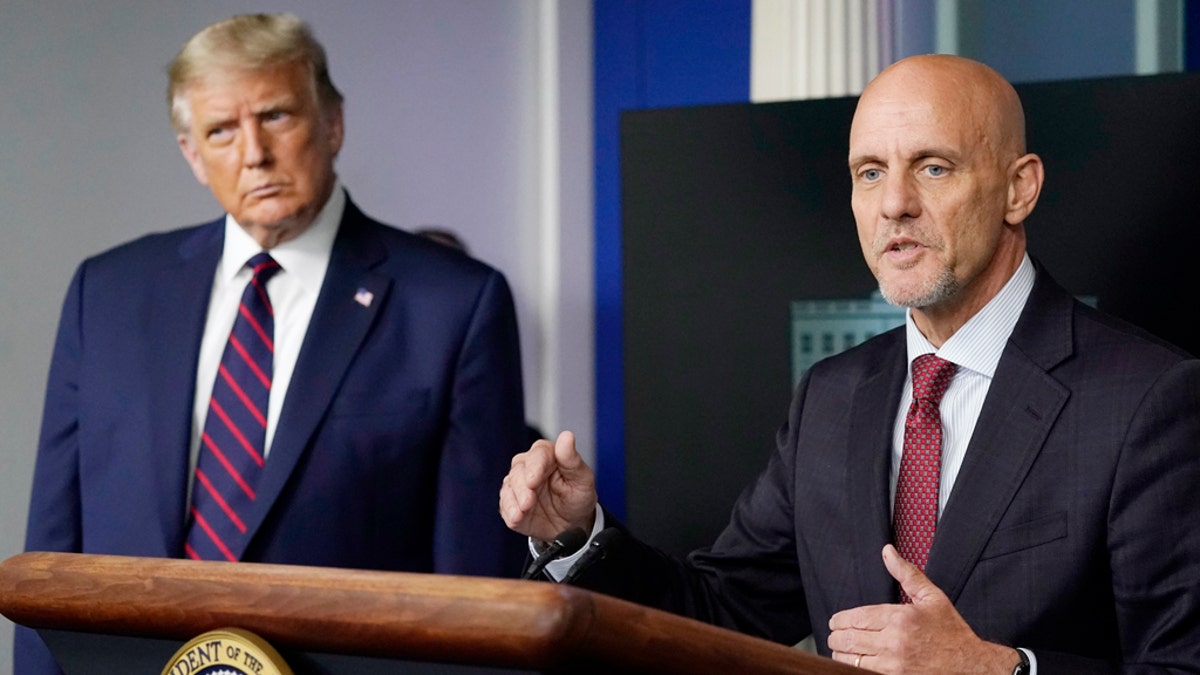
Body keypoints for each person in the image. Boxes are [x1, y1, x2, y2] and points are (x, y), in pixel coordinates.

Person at [500, 54, 1200, 673]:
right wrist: (575, 533)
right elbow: (718, 615)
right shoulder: (832, 397)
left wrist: (996, 671)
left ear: (1019, 188)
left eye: (933, 166)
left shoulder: (1146, 399)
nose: (894, 204)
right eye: (871, 173)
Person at [20, 12, 528, 674]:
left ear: (333, 123)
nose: (253, 153)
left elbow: (476, 596)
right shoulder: (107, 295)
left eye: (277, 116)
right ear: (192, 155)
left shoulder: (453, 304)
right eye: (221, 131)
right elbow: (50, 562)